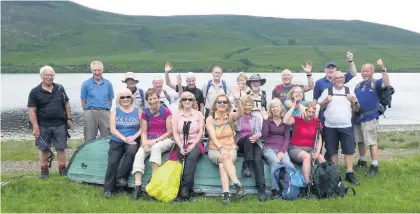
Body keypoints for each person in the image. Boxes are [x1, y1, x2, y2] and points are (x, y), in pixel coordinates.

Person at [27, 65, 72, 179]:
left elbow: (67, 105)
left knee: (61, 148)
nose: (49, 77)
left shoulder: (60, 89)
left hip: (60, 124)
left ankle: (62, 169)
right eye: (47, 75)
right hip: (43, 125)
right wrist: (35, 127)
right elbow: (32, 111)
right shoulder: (35, 92)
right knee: (43, 149)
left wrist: (68, 119)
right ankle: (44, 171)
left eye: (51, 75)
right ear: (41, 76)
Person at [318, 71, 360, 185]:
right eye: (336, 78)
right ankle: (334, 173)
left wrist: (354, 100)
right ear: (332, 80)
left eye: (341, 77)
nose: (339, 80)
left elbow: (357, 108)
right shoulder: (327, 91)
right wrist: (325, 102)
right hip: (330, 126)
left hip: (346, 125)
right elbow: (319, 108)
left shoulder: (349, 91)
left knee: (349, 150)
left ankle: (349, 173)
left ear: (344, 79)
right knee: (332, 150)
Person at [312, 52, 357, 159]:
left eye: (333, 68)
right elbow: (315, 99)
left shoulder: (341, 78)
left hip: (340, 118)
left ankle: (329, 163)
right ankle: (319, 160)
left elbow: (354, 73)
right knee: (322, 140)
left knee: (333, 143)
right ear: (325, 70)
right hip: (323, 117)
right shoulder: (319, 83)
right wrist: (314, 114)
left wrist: (350, 60)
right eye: (328, 68)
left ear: (336, 70)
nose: (331, 70)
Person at [131, 88, 174, 200]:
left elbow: (170, 131)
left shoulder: (165, 111)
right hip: (149, 140)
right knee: (139, 154)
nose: (153, 101)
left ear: (158, 98)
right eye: (150, 99)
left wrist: (155, 141)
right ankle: (137, 186)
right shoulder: (145, 113)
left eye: (155, 98)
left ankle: (154, 182)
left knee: (155, 148)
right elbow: (144, 131)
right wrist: (144, 143)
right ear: (147, 100)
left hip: (165, 139)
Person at [205, 89, 245, 205]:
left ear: (228, 104)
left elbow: (241, 113)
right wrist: (221, 149)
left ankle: (226, 194)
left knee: (223, 165)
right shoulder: (210, 119)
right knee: (224, 159)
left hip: (230, 147)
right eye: (219, 102)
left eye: (224, 102)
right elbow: (213, 137)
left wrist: (238, 99)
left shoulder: (230, 116)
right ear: (215, 104)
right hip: (215, 149)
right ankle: (237, 183)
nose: (222, 104)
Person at [353, 59, 391, 177]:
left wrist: (382, 67)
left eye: (367, 71)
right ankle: (362, 161)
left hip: (370, 117)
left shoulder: (376, 83)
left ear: (372, 72)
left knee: (371, 142)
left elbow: (386, 83)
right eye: (363, 71)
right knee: (360, 141)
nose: (364, 73)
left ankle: (374, 165)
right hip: (357, 118)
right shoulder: (358, 85)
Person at [166, 91, 205, 201]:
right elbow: (175, 133)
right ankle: (185, 191)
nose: (187, 101)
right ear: (181, 101)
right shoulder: (176, 115)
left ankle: (185, 188)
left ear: (193, 101)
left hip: (196, 143)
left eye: (190, 99)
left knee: (191, 158)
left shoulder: (199, 114)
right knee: (179, 159)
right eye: (184, 99)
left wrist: (192, 146)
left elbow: (201, 132)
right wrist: (180, 146)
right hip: (180, 143)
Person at [104, 88, 142, 199]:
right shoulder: (115, 111)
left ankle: (121, 177)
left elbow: (143, 128)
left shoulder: (138, 110)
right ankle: (108, 189)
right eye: (122, 97)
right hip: (117, 139)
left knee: (131, 152)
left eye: (128, 97)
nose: (125, 99)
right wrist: (124, 138)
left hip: (133, 138)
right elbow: (113, 129)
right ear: (119, 99)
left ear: (131, 98)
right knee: (112, 161)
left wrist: (134, 137)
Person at [283, 101, 326, 185]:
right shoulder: (297, 119)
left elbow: (319, 139)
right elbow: (285, 121)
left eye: (313, 112)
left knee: (321, 158)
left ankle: (326, 182)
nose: (311, 114)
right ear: (304, 111)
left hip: (310, 149)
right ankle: (307, 183)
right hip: (295, 148)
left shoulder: (317, 122)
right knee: (306, 157)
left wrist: (317, 152)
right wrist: (293, 107)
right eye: (309, 111)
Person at [234, 95, 266, 202]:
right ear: (242, 105)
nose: (247, 107)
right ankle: (246, 164)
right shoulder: (237, 116)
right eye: (245, 104)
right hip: (241, 143)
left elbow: (258, 131)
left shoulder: (256, 117)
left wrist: (256, 136)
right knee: (248, 136)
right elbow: (235, 130)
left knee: (258, 159)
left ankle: (261, 187)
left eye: (249, 105)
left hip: (253, 142)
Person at [261, 98, 293, 199]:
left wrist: (282, 151)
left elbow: (287, 138)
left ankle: (290, 188)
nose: (275, 109)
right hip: (268, 147)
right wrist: (265, 120)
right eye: (273, 107)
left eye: (277, 106)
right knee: (275, 162)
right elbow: (264, 135)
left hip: (281, 148)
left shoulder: (285, 121)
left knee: (288, 164)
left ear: (281, 108)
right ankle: (275, 189)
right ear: (270, 109)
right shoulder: (268, 120)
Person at [80, 61, 114, 142]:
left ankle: (107, 154)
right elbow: (83, 101)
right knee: (89, 137)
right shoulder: (86, 84)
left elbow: (110, 100)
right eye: (95, 70)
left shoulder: (108, 84)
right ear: (91, 71)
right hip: (90, 111)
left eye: (99, 70)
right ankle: (89, 153)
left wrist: (105, 110)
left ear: (102, 70)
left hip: (105, 111)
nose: (97, 72)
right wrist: (88, 111)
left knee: (108, 137)